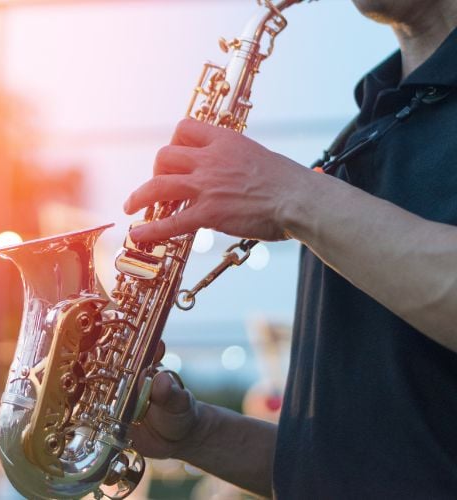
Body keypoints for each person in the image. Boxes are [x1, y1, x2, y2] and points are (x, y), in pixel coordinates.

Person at [125, 0, 457, 497]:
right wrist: (197, 432)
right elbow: (358, 463)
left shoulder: (312, 190)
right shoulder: (360, 137)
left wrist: (289, 195)